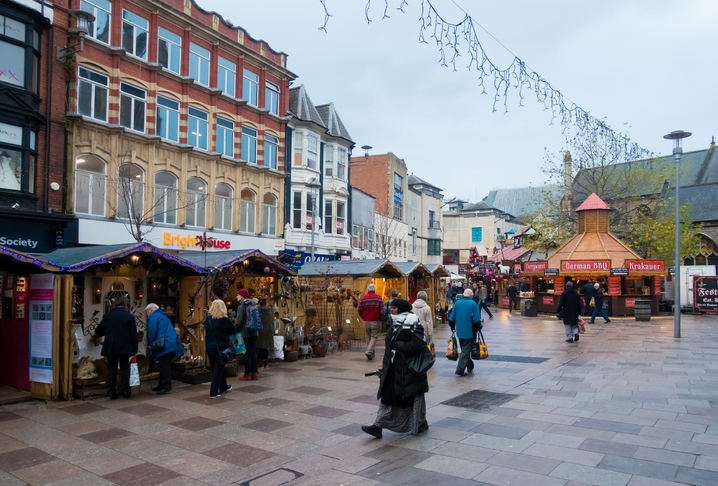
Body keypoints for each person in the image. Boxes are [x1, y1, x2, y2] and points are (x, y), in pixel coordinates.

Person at [361, 299, 429, 439]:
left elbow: (418, 345)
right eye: (391, 307)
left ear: (401, 309)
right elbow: (389, 349)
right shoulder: (392, 324)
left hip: (409, 370)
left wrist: (398, 345)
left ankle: (420, 423)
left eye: (394, 308)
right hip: (393, 368)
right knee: (388, 396)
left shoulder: (413, 324)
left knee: (411, 399)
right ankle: (377, 426)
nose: (391, 310)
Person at [93, 298, 138, 400]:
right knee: (125, 368)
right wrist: (134, 348)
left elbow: (98, 331)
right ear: (124, 306)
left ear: (113, 306)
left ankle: (112, 392)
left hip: (111, 346)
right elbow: (133, 335)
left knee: (112, 369)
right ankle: (126, 391)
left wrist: (108, 333)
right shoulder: (129, 317)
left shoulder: (107, 316)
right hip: (125, 346)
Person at [145, 303, 183, 395]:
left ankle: (166, 386)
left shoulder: (153, 317)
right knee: (163, 365)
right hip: (170, 343)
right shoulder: (163, 316)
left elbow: (152, 331)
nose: (147, 314)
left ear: (150, 310)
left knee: (164, 366)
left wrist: (150, 344)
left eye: (147, 312)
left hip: (163, 345)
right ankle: (161, 385)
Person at [204, 300, 235, 398]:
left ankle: (223, 387)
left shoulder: (208, 320)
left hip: (210, 348)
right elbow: (233, 330)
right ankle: (213, 392)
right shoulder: (225, 320)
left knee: (217, 367)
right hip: (221, 348)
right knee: (218, 369)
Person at [448, 289, 482, 376]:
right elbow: (476, 320)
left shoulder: (457, 303)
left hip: (460, 331)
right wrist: (479, 327)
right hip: (469, 331)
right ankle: (460, 370)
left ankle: (470, 366)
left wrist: (452, 327)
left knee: (464, 350)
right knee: (465, 351)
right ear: (471, 296)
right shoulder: (473, 304)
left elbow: (452, 317)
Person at [234, 289, 259, 380]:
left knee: (247, 353)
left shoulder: (242, 306)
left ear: (242, 296)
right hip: (255, 332)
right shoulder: (252, 304)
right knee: (253, 352)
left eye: (238, 294)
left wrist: (234, 329)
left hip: (246, 333)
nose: (236, 296)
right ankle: (255, 373)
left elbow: (239, 321)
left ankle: (248, 374)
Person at [358, 284, 385, 361]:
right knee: (374, 337)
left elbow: (359, 309)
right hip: (375, 320)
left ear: (368, 289)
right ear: (375, 289)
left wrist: (363, 317)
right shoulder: (378, 297)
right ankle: (369, 351)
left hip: (366, 320)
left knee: (368, 337)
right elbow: (382, 309)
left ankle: (371, 354)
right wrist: (380, 317)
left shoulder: (363, 298)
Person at [257, 298, 274, 368]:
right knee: (266, 347)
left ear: (259, 304)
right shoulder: (270, 312)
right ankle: (266, 362)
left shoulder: (259, 312)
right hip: (269, 330)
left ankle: (261, 362)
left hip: (261, 330)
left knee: (260, 346)